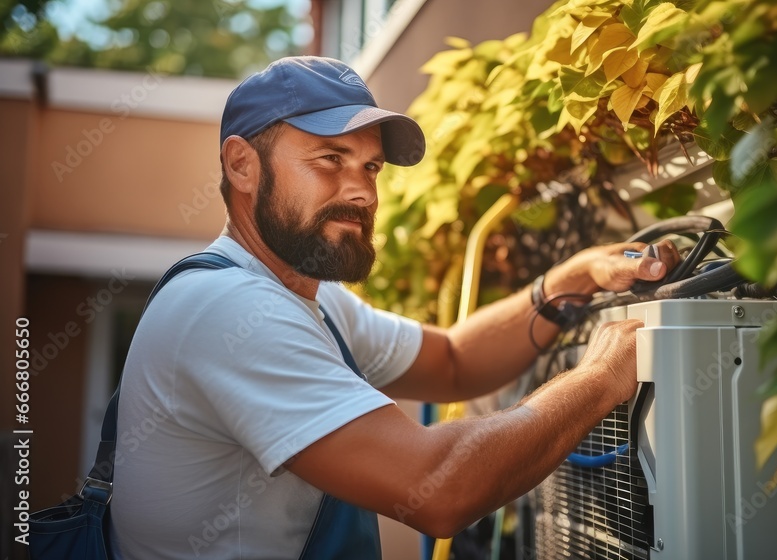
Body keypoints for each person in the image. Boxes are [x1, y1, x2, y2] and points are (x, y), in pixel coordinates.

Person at [108, 56, 679, 559]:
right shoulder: (229, 310)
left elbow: (454, 361)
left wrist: (572, 278)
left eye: (370, 167)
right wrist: (603, 377)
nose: (363, 192)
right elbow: (436, 488)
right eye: (330, 158)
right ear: (242, 165)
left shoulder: (313, 300)